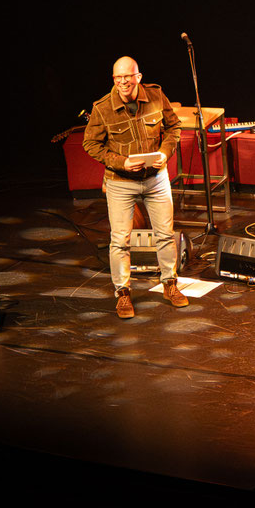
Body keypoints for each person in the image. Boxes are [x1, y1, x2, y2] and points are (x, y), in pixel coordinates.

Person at [82, 56, 190, 318]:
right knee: (120, 240)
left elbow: (174, 126)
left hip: (155, 179)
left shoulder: (155, 95)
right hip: (121, 183)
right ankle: (123, 293)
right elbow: (91, 144)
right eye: (118, 78)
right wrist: (120, 162)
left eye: (127, 77)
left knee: (165, 234)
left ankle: (170, 284)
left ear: (138, 77)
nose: (122, 82)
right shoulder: (102, 108)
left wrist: (166, 152)